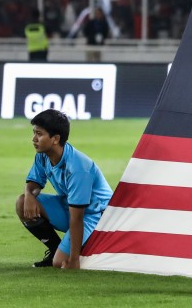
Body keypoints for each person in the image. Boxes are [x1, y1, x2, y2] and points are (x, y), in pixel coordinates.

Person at [15, 109, 112, 269]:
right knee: (22, 202)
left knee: (60, 263)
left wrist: (73, 260)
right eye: (34, 133)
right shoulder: (43, 155)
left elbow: (77, 217)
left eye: (39, 134)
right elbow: (34, 183)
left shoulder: (78, 168)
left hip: (96, 215)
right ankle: (55, 250)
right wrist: (29, 195)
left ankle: (84, 251)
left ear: (55, 139)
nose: (34, 139)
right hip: (71, 206)